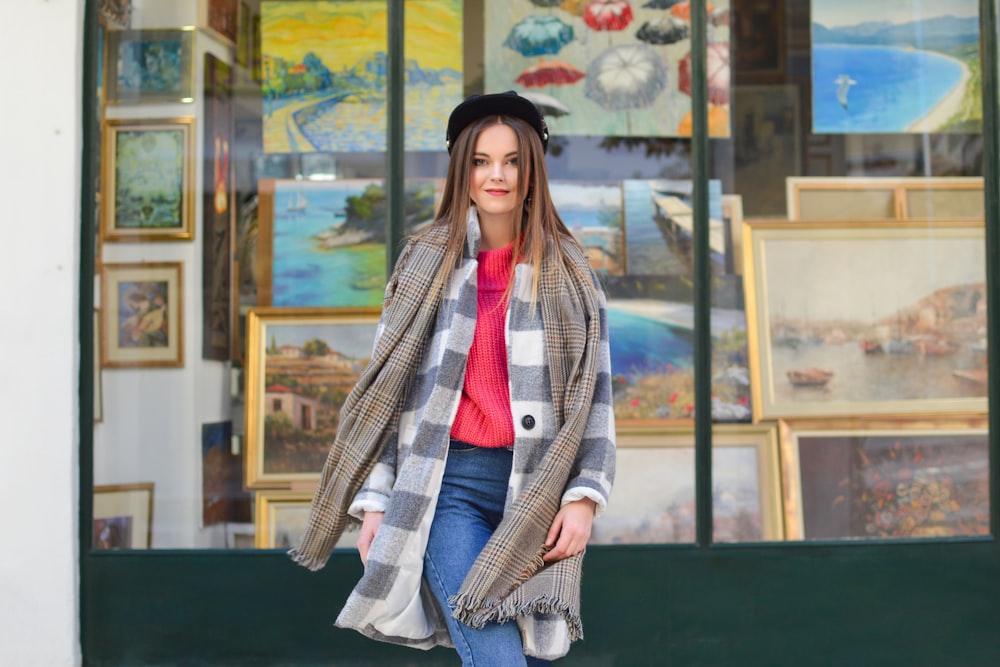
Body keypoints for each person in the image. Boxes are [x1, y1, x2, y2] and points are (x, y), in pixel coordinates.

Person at [290, 91, 616, 666]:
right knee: (496, 659)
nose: (497, 175)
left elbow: (596, 398)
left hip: (535, 491)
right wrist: (374, 503)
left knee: (523, 653)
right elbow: (388, 395)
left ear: (533, 169)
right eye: (481, 160)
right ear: (461, 170)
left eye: (513, 160)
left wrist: (585, 498)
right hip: (447, 488)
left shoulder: (570, 270)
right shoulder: (424, 262)